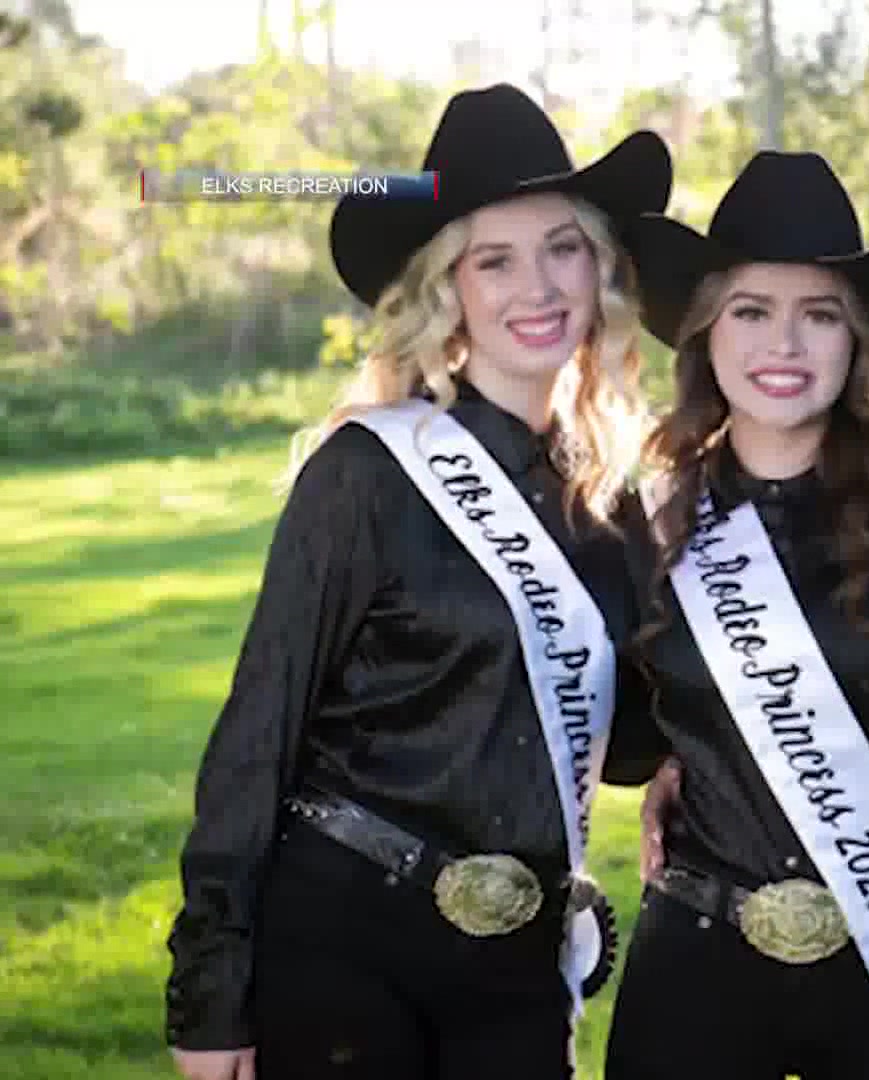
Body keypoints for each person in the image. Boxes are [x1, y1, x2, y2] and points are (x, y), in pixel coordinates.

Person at [162, 84, 673, 1080]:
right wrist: (210, 991)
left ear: (600, 270)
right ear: (451, 289)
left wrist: (686, 754)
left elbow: (621, 743)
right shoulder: (368, 471)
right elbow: (259, 733)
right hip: (343, 940)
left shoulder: (613, 504)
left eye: (562, 248)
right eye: (495, 259)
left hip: (518, 959)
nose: (537, 286)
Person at [602, 149, 869, 1080]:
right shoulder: (644, 526)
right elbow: (623, 737)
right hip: (696, 959)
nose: (785, 344)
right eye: (751, 311)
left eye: (820, 315)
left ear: (857, 345)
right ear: (706, 336)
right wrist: (691, 761)